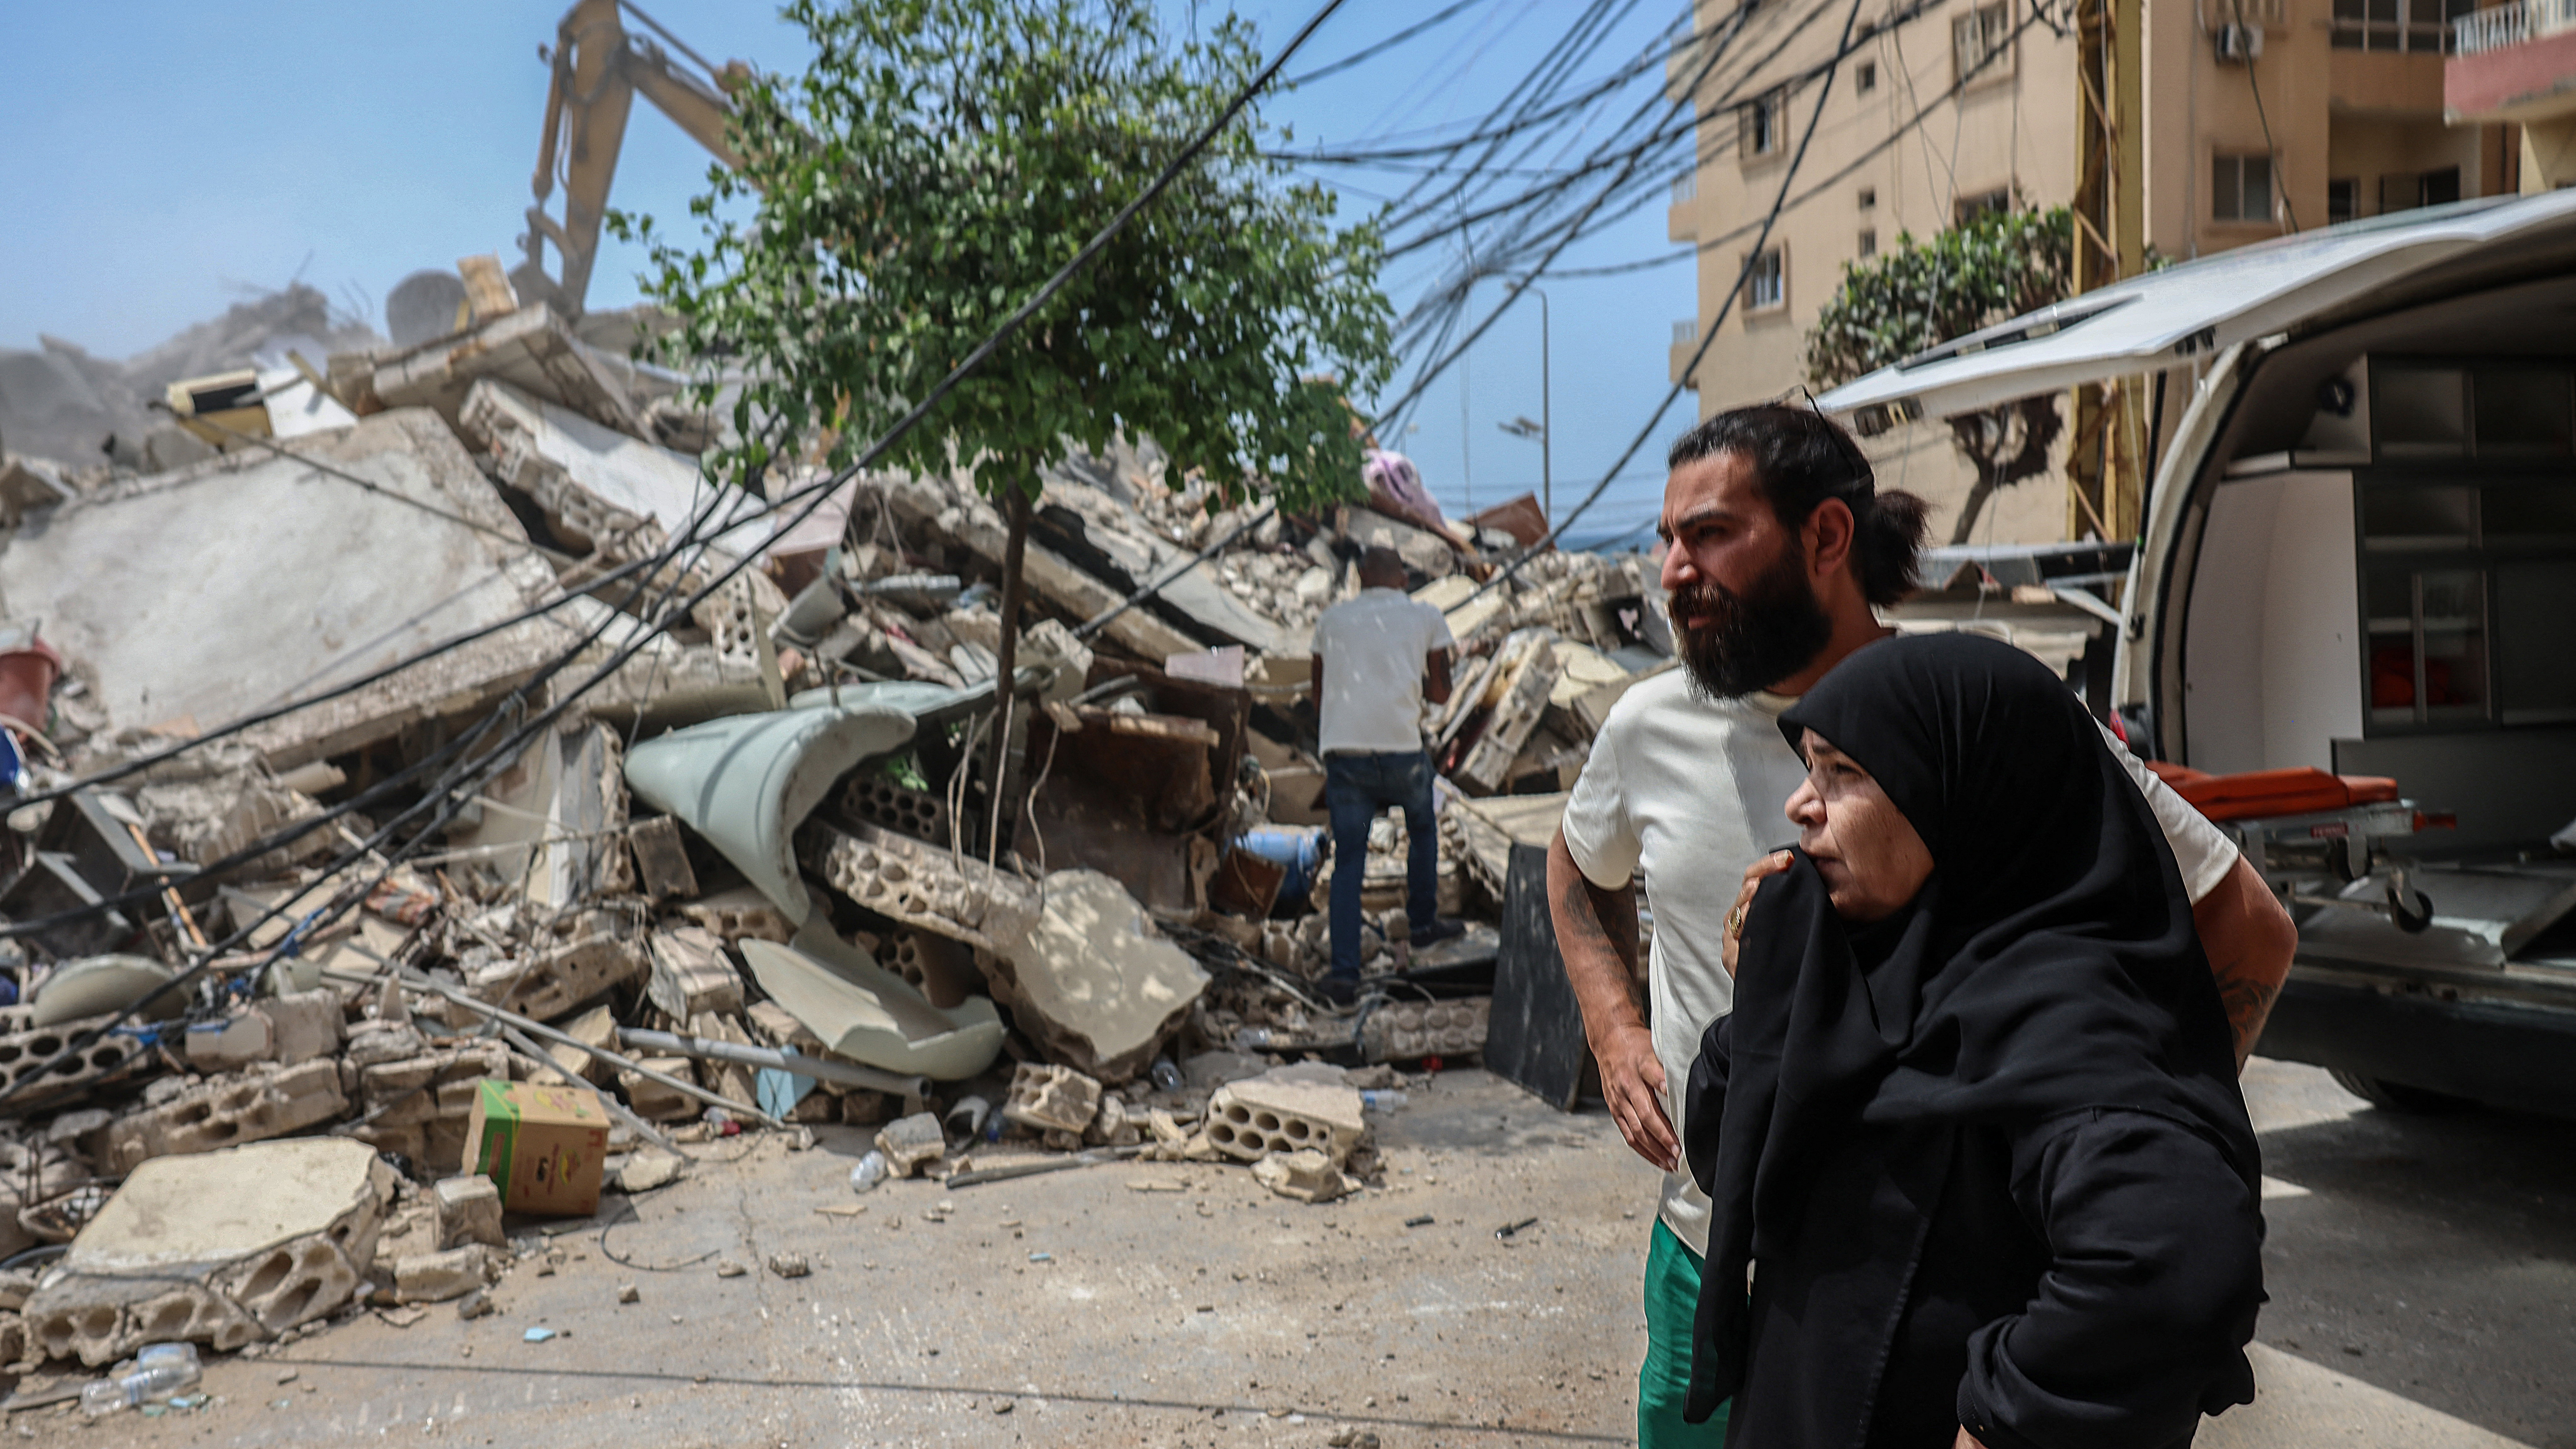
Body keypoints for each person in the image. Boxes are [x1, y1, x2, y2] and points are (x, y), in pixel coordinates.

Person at [1548, 405, 2297, 1446]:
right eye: (1666, 540)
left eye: (1710, 533)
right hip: (1714, 1245)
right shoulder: (1648, 724)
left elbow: (2244, 929)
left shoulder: (1987, 717)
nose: (1673, 570)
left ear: (1824, 538)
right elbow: (1578, 871)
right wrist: (1616, 1024)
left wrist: (2146, 1086)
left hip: (1940, 1274)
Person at [1680, 631, 2266, 1447]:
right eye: (1811, 768)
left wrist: (2008, 1421)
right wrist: (1765, 1004)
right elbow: (1728, 1160)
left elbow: (2172, 1266)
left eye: (1844, 773)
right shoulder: (1866, 965)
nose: (1801, 804)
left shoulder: (2077, 1018)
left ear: (1965, 794)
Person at [1311, 545, 1463, 1006]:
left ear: (1359, 577)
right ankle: (1421, 925)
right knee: (1421, 825)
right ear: (1400, 577)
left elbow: (1318, 698)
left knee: (1348, 862)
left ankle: (1343, 976)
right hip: (1400, 752)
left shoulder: (1329, 620)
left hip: (1346, 756)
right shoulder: (1426, 616)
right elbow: (1440, 694)